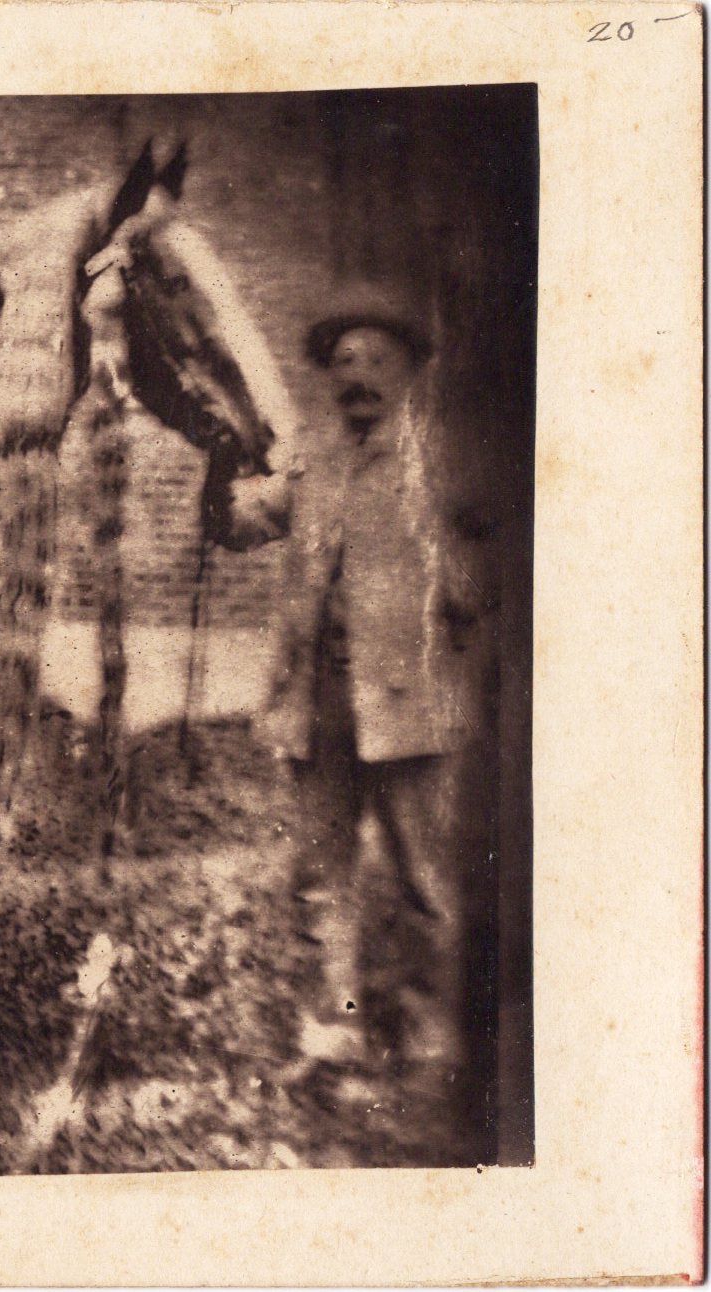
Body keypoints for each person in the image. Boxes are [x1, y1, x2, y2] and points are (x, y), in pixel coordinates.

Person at [223, 282, 486, 1095]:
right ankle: (333, 1031)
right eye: (343, 361)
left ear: (408, 370)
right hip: (318, 706)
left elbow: (492, 573)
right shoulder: (314, 462)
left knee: (422, 881)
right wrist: (221, 454)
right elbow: (239, 523)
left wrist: (455, 634)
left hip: (413, 708)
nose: (358, 375)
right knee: (321, 875)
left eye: (376, 358)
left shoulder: (445, 464)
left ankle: (431, 1043)